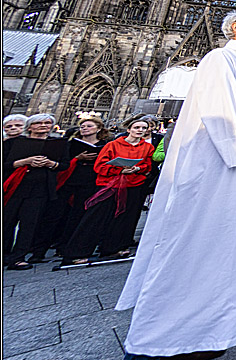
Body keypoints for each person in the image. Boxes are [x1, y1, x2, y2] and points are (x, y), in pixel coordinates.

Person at [110, 10, 236, 360]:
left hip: (232, 180)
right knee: (187, 261)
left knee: (217, 261)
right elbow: (227, 122)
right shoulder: (220, 61)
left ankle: (187, 339)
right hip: (211, 181)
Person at [61, 118, 154, 264]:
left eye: (144, 128)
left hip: (132, 184)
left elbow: (147, 166)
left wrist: (137, 169)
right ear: (129, 129)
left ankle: (113, 248)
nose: (140, 130)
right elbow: (100, 166)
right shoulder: (113, 144)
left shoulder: (148, 147)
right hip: (109, 184)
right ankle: (77, 252)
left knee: (123, 218)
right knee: (96, 217)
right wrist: (119, 169)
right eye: (137, 127)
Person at [3, 113, 70, 270]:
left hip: (40, 188)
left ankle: (18, 257)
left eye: (47, 123)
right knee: (6, 222)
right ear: (30, 126)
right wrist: (23, 162)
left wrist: (50, 163)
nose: (43, 125)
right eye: (39, 122)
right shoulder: (13, 142)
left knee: (29, 224)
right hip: (15, 186)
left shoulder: (58, 144)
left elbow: (64, 165)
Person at [54, 114, 111, 257]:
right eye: (82, 126)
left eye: (89, 126)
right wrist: (77, 158)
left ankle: (69, 244)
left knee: (78, 213)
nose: (85, 128)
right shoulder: (70, 143)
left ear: (99, 129)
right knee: (59, 213)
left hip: (89, 181)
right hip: (70, 179)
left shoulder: (104, 146)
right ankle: (54, 243)